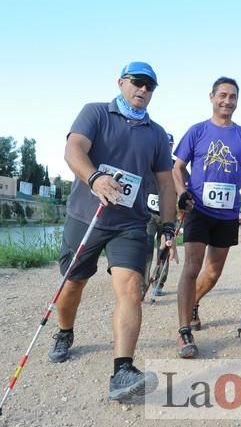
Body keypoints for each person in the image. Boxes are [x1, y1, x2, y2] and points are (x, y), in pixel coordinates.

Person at [49, 61, 177, 403]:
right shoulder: (95, 113)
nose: (143, 90)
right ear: (121, 82)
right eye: (137, 82)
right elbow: (73, 149)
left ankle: (122, 371)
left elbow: (166, 185)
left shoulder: (156, 134)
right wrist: (94, 178)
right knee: (73, 283)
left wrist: (168, 226)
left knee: (131, 289)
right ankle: (64, 332)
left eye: (150, 86)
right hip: (86, 216)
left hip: (130, 223)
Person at [172, 76, 241, 358]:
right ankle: (183, 333)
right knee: (192, 268)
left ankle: (193, 303)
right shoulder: (197, 131)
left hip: (227, 213)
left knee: (213, 272)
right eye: (223, 95)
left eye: (232, 97)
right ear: (212, 97)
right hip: (198, 209)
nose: (227, 101)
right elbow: (177, 167)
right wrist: (181, 192)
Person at [142, 133, 177, 298]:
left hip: (168, 215)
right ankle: (142, 285)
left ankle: (159, 284)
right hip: (148, 214)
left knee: (164, 249)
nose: (167, 147)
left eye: (170, 145)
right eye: (165, 144)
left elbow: (185, 185)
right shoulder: (148, 162)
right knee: (146, 249)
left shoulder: (176, 166)